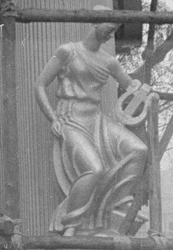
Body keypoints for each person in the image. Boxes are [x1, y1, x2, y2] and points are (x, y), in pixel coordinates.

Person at [34, 13, 147, 236]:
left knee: (139, 150)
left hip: (96, 120)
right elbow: (39, 85)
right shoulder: (68, 51)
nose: (110, 32)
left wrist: (144, 92)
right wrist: (53, 119)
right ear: (95, 22)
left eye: (114, 29)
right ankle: (71, 224)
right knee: (94, 169)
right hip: (71, 119)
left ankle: (116, 204)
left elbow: (130, 86)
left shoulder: (109, 62)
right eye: (108, 25)